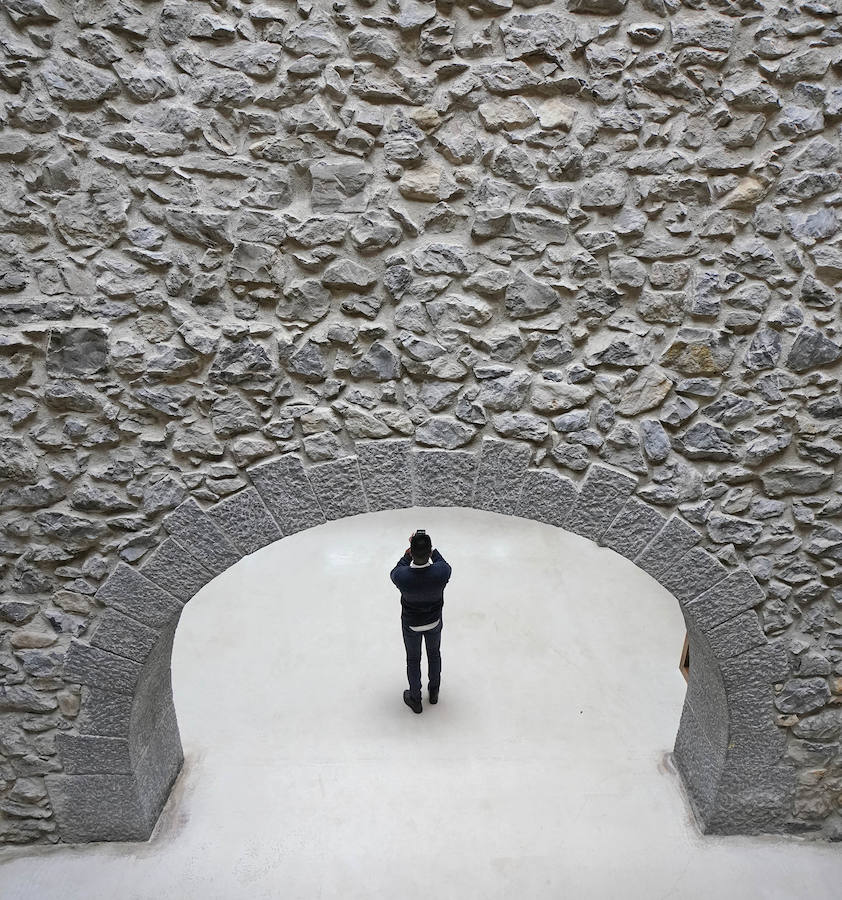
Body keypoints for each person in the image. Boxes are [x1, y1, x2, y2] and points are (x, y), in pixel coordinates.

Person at [390, 530, 452, 714]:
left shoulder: (403, 577)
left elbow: (396, 570)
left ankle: (415, 699)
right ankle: (434, 692)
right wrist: (431, 551)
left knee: (413, 659)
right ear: (429, 551)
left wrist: (407, 553)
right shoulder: (442, 572)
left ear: (411, 551)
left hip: (412, 625)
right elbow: (443, 562)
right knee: (434, 655)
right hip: (434, 622)